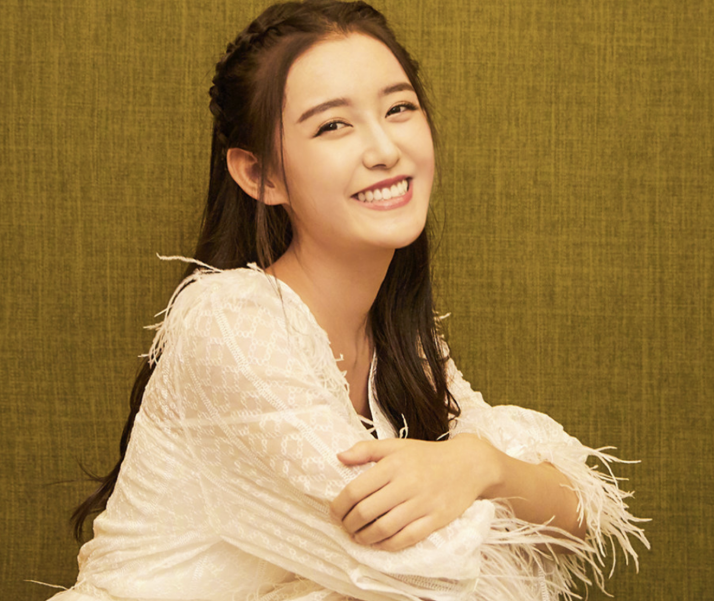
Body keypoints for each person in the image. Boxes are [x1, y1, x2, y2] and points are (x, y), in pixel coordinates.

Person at [43, 1, 648, 600]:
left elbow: (576, 522)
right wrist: (493, 484)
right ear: (260, 175)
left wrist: (479, 464)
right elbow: (429, 573)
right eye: (333, 125)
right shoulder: (231, 326)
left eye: (399, 108)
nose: (384, 148)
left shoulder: (400, 341)